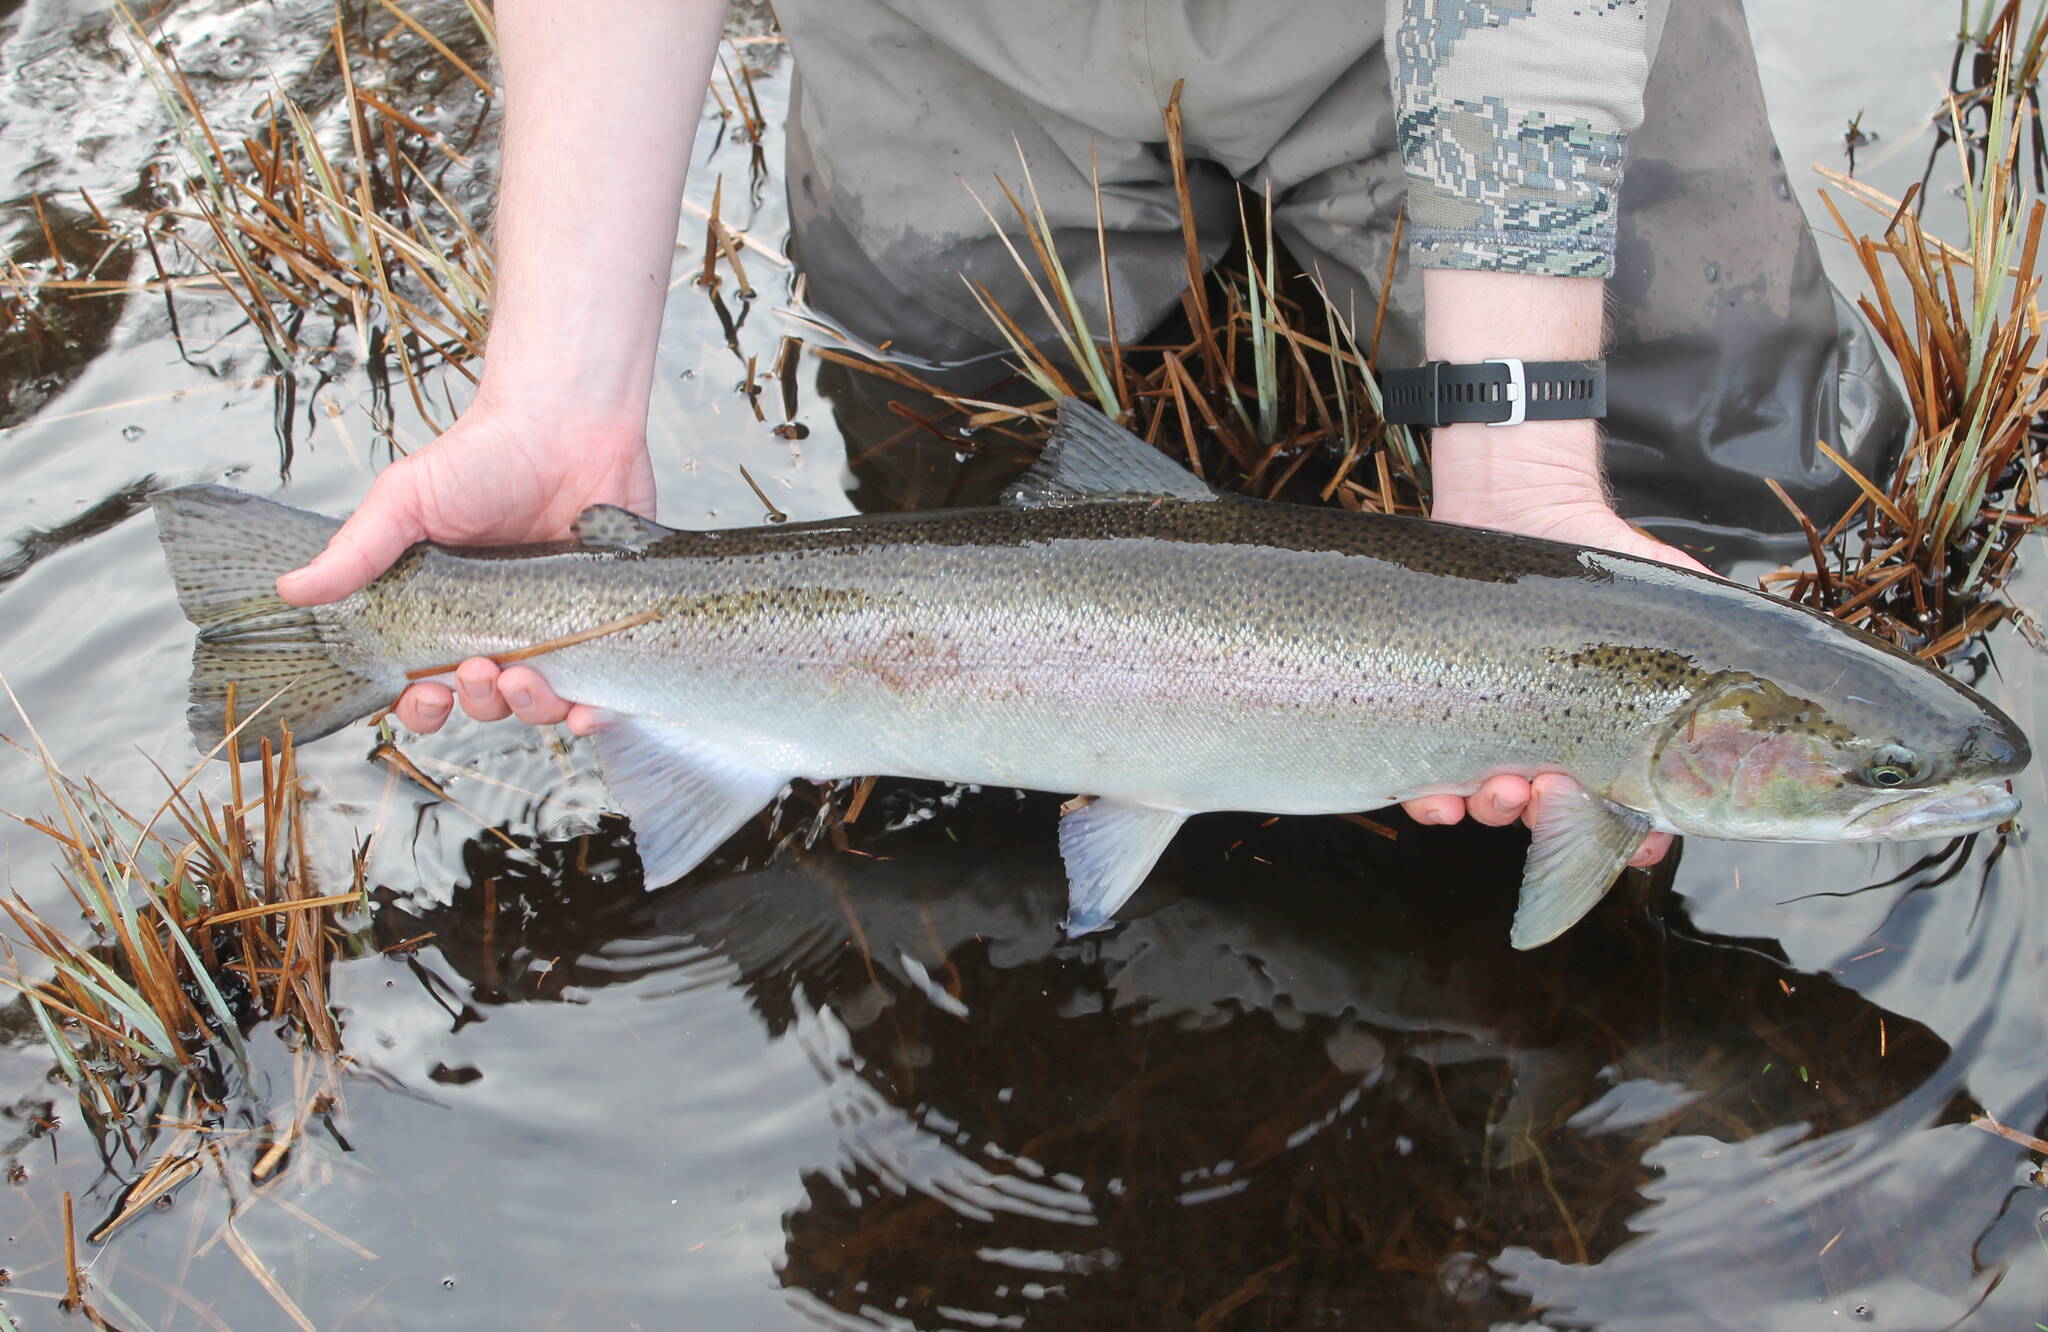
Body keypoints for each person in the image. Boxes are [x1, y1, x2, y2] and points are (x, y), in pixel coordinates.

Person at [274, 0, 1902, 869]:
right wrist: (559, 390)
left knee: (1740, 466)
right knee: (933, 404)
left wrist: (1526, 456)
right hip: (965, 32)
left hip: (1436, 27)